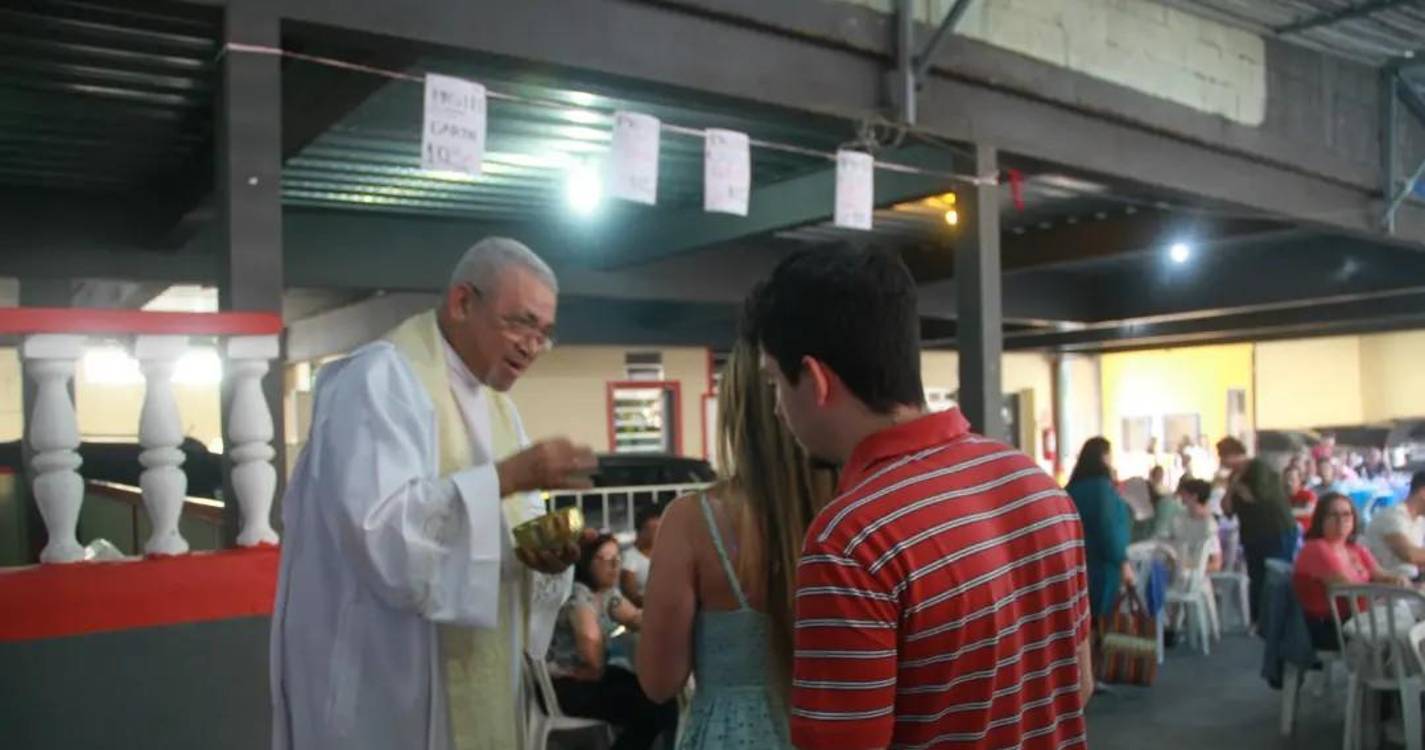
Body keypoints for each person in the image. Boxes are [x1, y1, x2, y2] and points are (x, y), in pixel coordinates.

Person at [746, 244, 1092, 750]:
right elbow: (1076, 684)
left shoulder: (853, 539)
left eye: (776, 382)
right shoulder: (1035, 484)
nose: (778, 410)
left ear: (817, 381)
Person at [270, 238, 597, 750]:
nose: (532, 346)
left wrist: (547, 558)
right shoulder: (380, 380)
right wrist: (507, 477)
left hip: (479, 677)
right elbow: (382, 537)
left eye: (544, 333)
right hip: (390, 681)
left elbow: (511, 529)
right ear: (462, 301)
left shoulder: (497, 407)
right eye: (520, 322)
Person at [637, 340, 836, 749]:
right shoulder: (849, 511)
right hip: (831, 728)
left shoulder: (693, 521)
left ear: (735, 411)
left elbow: (659, 681)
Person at [547, 533, 676, 749]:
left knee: (661, 698)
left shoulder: (607, 594)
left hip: (593, 677)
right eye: (606, 560)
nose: (615, 566)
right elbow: (590, 640)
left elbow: (634, 617)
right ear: (586, 562)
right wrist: (596, 667)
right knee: (654, 710)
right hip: (570, 685)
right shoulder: (579, 595)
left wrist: (670, 616)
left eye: (618, 559)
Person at [1292, 493, 1407, 650]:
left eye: (1347, 514)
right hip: (1330, 629)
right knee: (1405, 633)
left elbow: (1381, 575)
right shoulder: (1316, 548)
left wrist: (1398, 579)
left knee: (1410, 625)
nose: (1341, 520)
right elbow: (1349, 591)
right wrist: (1384, 593)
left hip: (1358, 619)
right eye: (1333, 515)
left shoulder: (1356, 549)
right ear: (1321, 520)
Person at [1218, 436, 1299, 626]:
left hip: (1276, 529)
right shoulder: (1233, 477)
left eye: (1223, 456)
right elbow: (1227, 509)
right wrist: (1231, 487)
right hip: (1252, 534)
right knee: (1257, 578)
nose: (1222, 462)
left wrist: (1237, 485)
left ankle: (1282, 618)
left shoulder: (1258, 468)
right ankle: (1259, 620)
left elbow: (1255, 497)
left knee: (1278, 576)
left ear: (1233, 455)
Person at [1066, 438, 1135, 620]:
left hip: (1075, 566)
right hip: (1103, 568)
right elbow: (1109, 530)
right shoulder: (1103, 489)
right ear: (1104, 457)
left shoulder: (1072, 489)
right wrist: (1123, 561)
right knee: (1102, 621)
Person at [1159, 478, 1222, 586]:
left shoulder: (1209, 526)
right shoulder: (1179, 518)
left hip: (1193, 582)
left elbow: (1216, 564)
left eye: (1184, 494)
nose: (1181, 496)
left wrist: (1191, 572)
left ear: (1194, 496)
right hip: (1173, 573)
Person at [1363, 471, 1425, 577]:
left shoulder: (1420, 520)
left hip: (1409, 585)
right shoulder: (1393, 516)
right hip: (1386, 588)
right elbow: (1410, 555)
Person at [620, 506, 661, 607]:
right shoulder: (628, 557)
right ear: (641, 530)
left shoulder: (669, 553)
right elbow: (632, 596)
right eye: (655, 529)